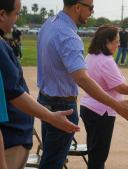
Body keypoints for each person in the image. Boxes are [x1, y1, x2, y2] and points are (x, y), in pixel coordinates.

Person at [37, 1, 128, 169]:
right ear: (77, 7)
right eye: (90, 8)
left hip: (46, 99)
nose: (92, 12)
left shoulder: (49, 24)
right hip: (63, 104)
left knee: (49, 159)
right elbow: (83, 79)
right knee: (53, 163)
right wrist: (117, 105)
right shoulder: (69, 36)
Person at [0, 1, 80, 169]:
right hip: (11, 137)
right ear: (2, 15)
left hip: (19, 129)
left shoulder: (48, 26)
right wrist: (51, 117)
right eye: (16, 13)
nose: (17, 18)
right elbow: (13, 93)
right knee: (53, 163)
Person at [80, 25, 128, 169]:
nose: (118, 44)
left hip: (88, 108)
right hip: (101, 112)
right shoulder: (106, 61)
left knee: (94, 153)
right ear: (106, 42)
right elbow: (122, 88)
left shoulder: (91, 56)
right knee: (98, 157)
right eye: (116, 41)